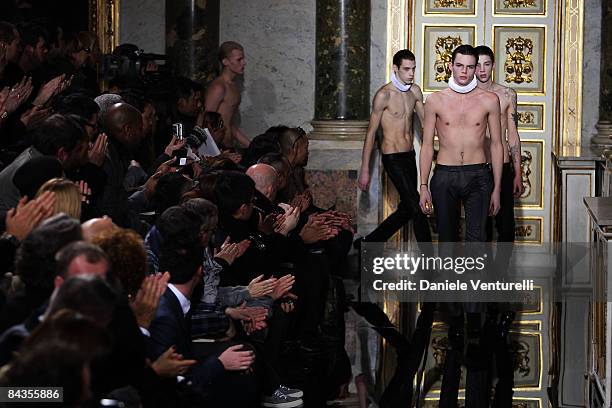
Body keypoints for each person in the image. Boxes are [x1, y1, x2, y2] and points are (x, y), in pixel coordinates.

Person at [418, 44, 503, 408]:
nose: (467, 72)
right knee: (448, 242)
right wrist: (423, 184)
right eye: (461, 66)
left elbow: (497, 143)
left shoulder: (489, 101)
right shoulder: (435, 100)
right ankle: (454, 311)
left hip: (480, 177)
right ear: (450, 66)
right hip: (446, 175)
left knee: (477, 240)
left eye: (471, 66)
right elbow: (425, 144)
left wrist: (498, 185)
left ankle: (472, 314)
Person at [357, 49, 432, 244]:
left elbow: (426, 124)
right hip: (392, 158)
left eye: (413, 69)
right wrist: (365, 169)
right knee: (416, 207)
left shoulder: (414, 91)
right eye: (406, 69)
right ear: (395, 68)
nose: (411, 73)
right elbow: (371, 133)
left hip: (409, 155)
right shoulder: (384, 95)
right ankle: (430, 264)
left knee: (407, 208)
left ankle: (370, 242)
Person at [474, 45, 524, 242]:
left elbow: (513, 135)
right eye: (478, 65)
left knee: (506, 228)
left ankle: (501, 273)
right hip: (476, 167)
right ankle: (483, 272)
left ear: (493, 66)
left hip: (502, 167)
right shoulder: (466, 96)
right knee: (480, 228)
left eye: (486, 64)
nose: (482, 70)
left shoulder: (507, 95)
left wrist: (518, 172)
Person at [204, 41, 250, 148]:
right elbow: (205, 122)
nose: (244, 62)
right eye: (239, 59)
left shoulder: (233, 86)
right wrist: (213, 153)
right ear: (225, 62)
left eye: (243, 58)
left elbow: (228, 123)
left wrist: (251, 145)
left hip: (227, 145)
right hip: (216, 148)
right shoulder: (219, 87)